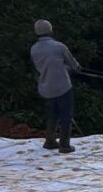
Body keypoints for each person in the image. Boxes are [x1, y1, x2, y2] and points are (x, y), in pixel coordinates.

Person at [30, 20, 81, 154]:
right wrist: (72, 68)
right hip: (62, 86)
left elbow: (45, 66)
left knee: (52, 115)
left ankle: (50, 141)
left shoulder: (34, 49)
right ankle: (64, 145)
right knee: (66, 116)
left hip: (46, 87)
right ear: (50, 30)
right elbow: (74, 66)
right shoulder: (59, 46)